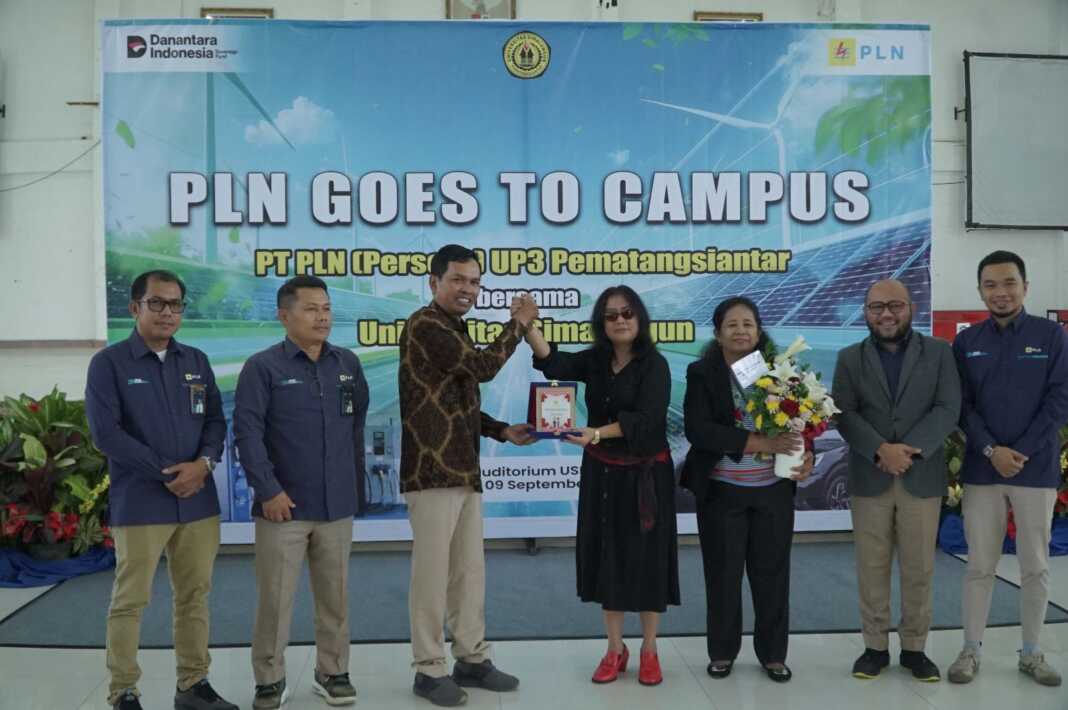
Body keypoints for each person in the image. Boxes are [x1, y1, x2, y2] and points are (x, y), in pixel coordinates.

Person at [86, 270, 237, 710]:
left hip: (198, 504)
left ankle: (193, 685)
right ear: (135, 308)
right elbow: (106, 434)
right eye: (157, 303)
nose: (168, 312)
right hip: (142, 501)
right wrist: (170, 473)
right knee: (131, 599)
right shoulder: (109, 364)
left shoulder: (196, 360)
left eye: (175, 304)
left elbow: (215, 421)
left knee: (194, 596)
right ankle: (124, 691)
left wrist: (204, 465)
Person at [398, 244, 538, 707]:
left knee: (467, 573)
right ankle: (428, 668)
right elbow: (482, 369)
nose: (468, 289)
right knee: (433, 576)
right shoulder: (426, 324)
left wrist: (502, 431)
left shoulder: (453, 329)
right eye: (458, 279)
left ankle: (471, 658)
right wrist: (518, 325)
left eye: (475, 282)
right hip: (432, 472)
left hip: (463, 469)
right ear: (434, 282)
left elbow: (458, 403)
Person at [527, 285, 680, 687]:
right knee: (608, 558)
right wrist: (529, 328)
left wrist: (596, 433)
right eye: (611, 315)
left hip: (647, 476)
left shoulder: (655, 365)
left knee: (647, 562)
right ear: (602, 322)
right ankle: (615, 648)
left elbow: (646, 421)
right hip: (603, 474)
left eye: (627, 312)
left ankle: (649, 648)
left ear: (640, 317)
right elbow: (553, 363)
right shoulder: (596, 360)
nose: (620, 320)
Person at [233, 275, 369, 708]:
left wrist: (355, 488)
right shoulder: (263, 367)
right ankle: (269, 679)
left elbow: (356, 425)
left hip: (336, 506)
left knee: (336, 596)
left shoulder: (347, 363)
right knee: (275, 601)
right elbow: (247, 433)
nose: (322, 316)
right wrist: (268, 490)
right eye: (311, 309)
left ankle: (333, 672)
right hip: (282, 509)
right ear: (284, 315)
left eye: (326, 308)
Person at [948, 251, 1068, 687]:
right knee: (980, 564)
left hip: (1035, 471)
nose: (1001, 292)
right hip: (983, 471)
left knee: (1035, 565)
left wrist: (1020, 452)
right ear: (980, 290)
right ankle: (970, 650)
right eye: (991, 285)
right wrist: (990, 449)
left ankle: (1032, 653)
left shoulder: (1051, 335)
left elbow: (1060, 400)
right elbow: (963, 405)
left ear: (1025, 286)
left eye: (1009, 282)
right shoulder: (967, 341)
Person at [832, 279, 961, 682]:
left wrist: (907, 450)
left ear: (911, 308)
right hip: (870, 476)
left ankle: (915, 649)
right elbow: (843, 413)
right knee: (871, 567)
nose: (886, 314)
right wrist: (880, 450)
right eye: (875, 307)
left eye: (894, 306)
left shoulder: (939, 352)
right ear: (866, 312)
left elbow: (947, 407)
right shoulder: (849, 357)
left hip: (919, 476)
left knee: (919, 567)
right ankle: (874, 648)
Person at [680, 296, 813, 683]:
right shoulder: (701, 373)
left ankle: (773, 655)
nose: (741, 331)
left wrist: (807, 457)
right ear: (718, 333)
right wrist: (759, 444)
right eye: (732, 325)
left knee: (772, 575)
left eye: (748, 324)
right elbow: (699, 430)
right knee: (722, 576)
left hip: (772, 492)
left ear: (759, 331)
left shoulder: (779, 371)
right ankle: (722, 652)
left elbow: (805, 423)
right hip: (722, 492)